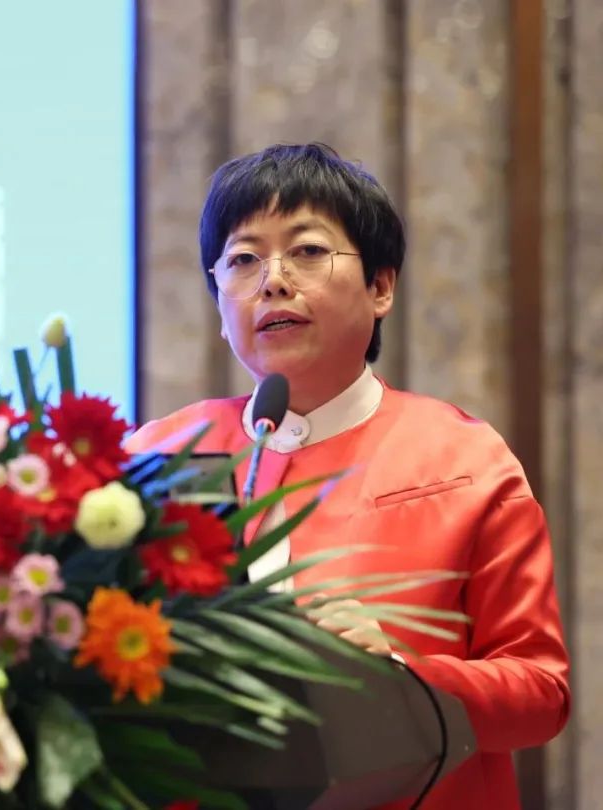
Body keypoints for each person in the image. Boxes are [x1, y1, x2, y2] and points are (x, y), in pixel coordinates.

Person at [125, 143, 570, 809]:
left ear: (380, 286)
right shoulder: (152, 459)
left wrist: (402, 683)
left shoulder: (464, 461)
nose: (273, 281)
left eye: (307, 251)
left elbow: (542, 693)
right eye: (242, 260)